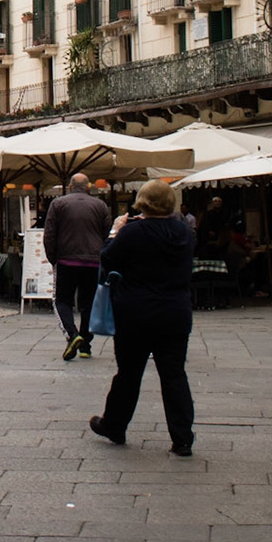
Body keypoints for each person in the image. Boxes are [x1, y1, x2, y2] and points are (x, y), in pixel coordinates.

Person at [89, 179, 196, 455]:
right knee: (174, 375)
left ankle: (114, 424)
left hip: (136, 313)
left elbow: (107, 259)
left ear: (143, 203)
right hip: (175, 312)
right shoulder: (184, 232)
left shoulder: (133, 232)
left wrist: (116, 231)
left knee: (129, 373)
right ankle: (182, 437)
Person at [44, 173, 112, 361]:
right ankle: (86, 346)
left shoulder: (58, 204)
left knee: (62, 300)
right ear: (88, 187)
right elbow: (108, 233)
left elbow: (49, 233)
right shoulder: (101, 206)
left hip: (66, 260)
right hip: (93, 261)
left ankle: (72, 335)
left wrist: (53, 258)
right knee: (88, 303)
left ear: (71, 186)